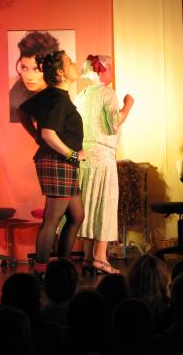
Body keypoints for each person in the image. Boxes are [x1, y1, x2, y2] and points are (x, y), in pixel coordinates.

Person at [19, 50, 86, 276]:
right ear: (60, 72)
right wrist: (72, 155)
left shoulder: (51, 94)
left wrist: (35, 136)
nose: (75, 65)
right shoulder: (58, 98)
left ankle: (63, 266)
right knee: (52, 219)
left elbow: (22, 112)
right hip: (59, 162)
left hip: (59, 162)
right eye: (71, 63)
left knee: (76, 216)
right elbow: (48, 133)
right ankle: (42, 270)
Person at [75, 54, 134, 274]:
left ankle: (87, 257)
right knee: (104, 205)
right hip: (103, 155)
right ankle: (100, 258)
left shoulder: (81, 95)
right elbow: (114, 122)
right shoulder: (107, 93)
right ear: (102, 70)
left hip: (85, 155)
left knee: (88, 206)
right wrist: (128, 105)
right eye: (109, 68)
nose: (112, 72)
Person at [9, 31, 59, 122]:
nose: (29, 77)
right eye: (24, 68)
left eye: (37, 69)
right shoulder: (15, 94)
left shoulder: (60, 98)